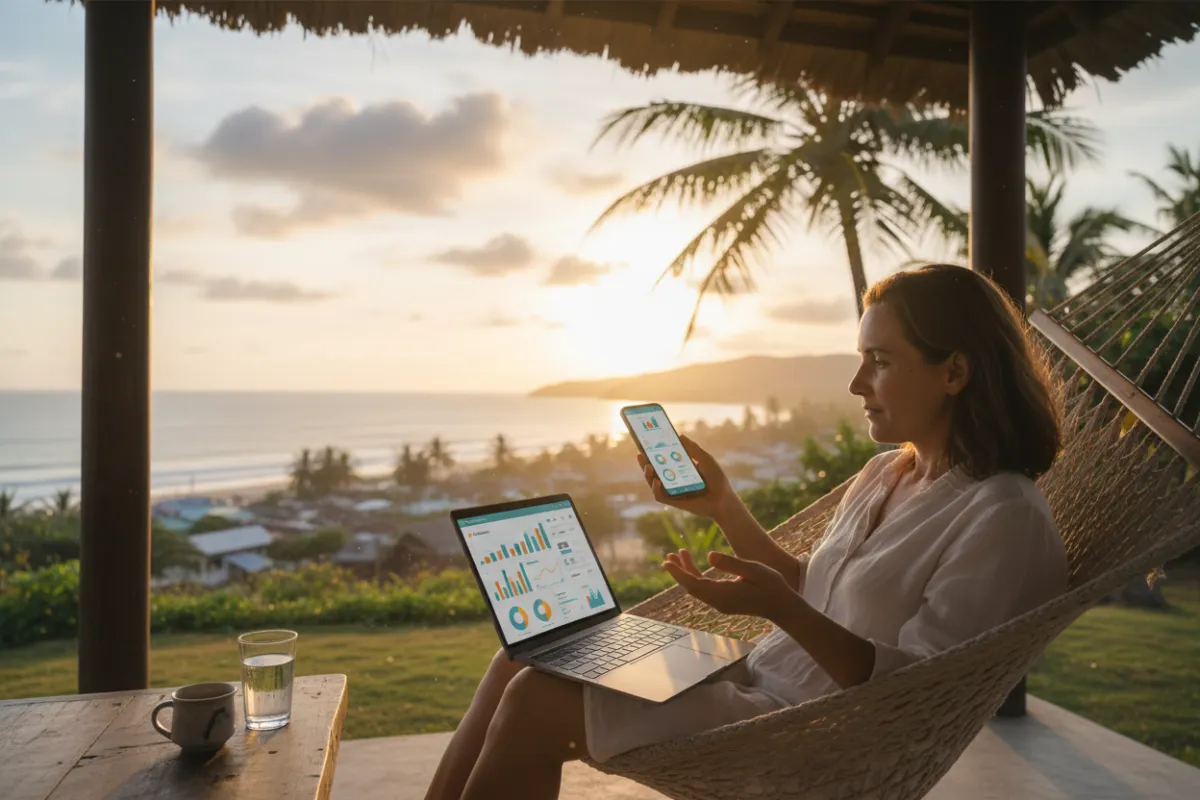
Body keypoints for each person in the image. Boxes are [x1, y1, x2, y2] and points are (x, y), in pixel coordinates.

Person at [424, 264, 1069, 800]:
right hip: (751, 677)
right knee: (522, 654)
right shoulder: (886, 472)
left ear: (953, 373)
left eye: (879, 362)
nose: (856, 385)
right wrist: (724, 505)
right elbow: (814, 585)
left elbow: (918, 694)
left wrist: (780, 609)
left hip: (811, 734)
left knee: (538, 700)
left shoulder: (1003, 517)